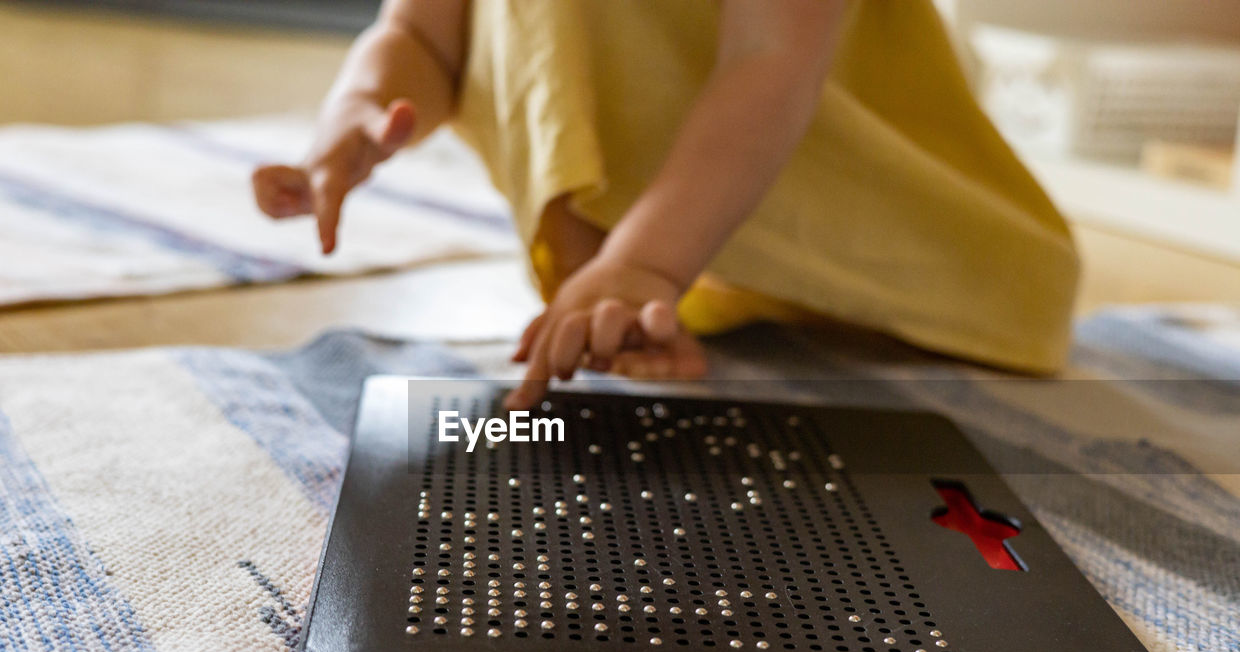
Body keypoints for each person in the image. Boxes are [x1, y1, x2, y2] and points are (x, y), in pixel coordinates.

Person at [253, 0, 1080, 409]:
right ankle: (637, 301)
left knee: (992, 281)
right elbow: (423, 36)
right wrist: (355, 118)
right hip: (675, 231)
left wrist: (646, 260)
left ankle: (640, 279)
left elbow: (771, 58)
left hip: (853, 203)